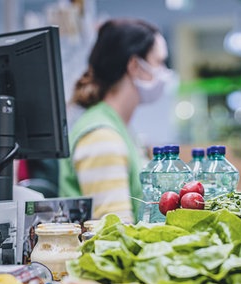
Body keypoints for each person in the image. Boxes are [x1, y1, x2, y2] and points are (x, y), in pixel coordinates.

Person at [59, 19, 172, 223]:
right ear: (135, 66)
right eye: (159, 62)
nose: (165, 73)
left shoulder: (119, 127)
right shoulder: (101, 137)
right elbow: (116, 231)